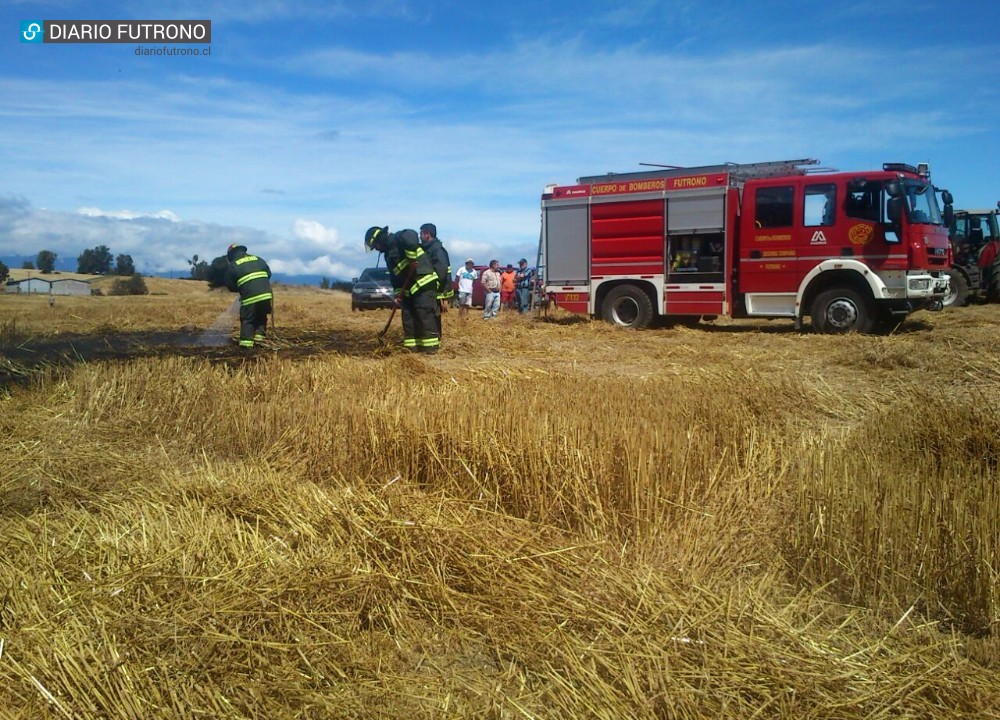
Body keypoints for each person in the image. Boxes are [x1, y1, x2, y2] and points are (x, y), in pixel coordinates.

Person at [365, 225, 441, 352]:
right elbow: (395, 277)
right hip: (409, 289)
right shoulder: (388, 255)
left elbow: (411, 236)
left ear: (381, 239)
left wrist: (411, 256)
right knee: (408, 316)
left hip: (424, 283)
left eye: (376, 245)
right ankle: (412, 348)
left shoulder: (399, 237)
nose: (377, 249)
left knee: (423, 315)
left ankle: (430, 349)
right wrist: (397, 295)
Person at [224, 243, 273, 349]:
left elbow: (231, 287)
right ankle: (260, 342)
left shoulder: (233, 265)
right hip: (266, 295)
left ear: (231, 255)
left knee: (248, 320)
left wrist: (244, 288)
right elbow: (268, 274)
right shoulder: (258, 259)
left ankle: (246, 347)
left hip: (250, 297)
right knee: (261, 317)